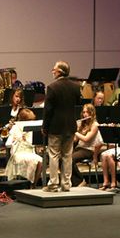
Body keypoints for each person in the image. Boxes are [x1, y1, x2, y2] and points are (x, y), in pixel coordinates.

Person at [42, 61, 81, 192]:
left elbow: (48, 110)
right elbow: (78, 103)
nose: (52, 71)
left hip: (55, 126)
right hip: (70, 125)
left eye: (54, 69)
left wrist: (44, 126)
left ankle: (53, 184)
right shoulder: (76, 87)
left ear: (59, 72)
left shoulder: (52, 87)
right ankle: (66, 184)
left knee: (53, 155)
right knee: (67, 156)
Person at [5, 108, 43, 187]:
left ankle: (33, 185)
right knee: (33, 160)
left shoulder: (33, 128)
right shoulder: (16, 128)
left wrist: (27, 140)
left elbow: (33, 144)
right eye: (30, 120)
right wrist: (17, 140)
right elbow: (8, 143)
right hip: (18, 153)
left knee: (40, 161)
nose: (32, 122)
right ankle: (26, 184)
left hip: (30, 152)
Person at [71, 104, 102, 187]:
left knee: (69, 160)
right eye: (84, 112)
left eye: (87, 112)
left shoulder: (95, 125)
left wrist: (74, 131)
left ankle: (80, 181)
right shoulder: (82, 124)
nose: (85, 114)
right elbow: (75, 140)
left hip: (89, 150)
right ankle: (72, 181)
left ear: (91, 113)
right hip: (80, 148)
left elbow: (86, 139)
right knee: (63, 158)